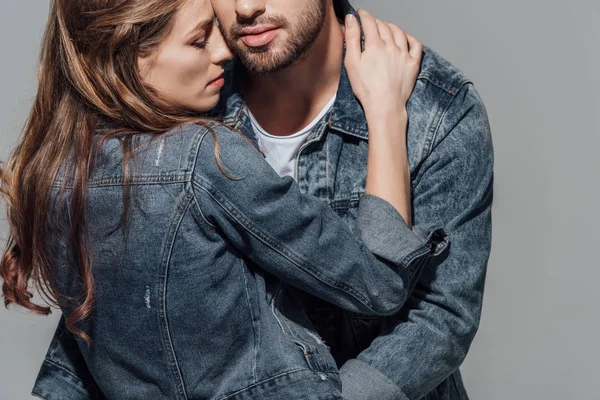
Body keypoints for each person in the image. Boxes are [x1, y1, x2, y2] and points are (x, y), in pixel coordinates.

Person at [30, 0, 494, 399]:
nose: (245, 7)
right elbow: (126, 292)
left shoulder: (436, 110)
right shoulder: (186, 89)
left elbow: (440, 316)